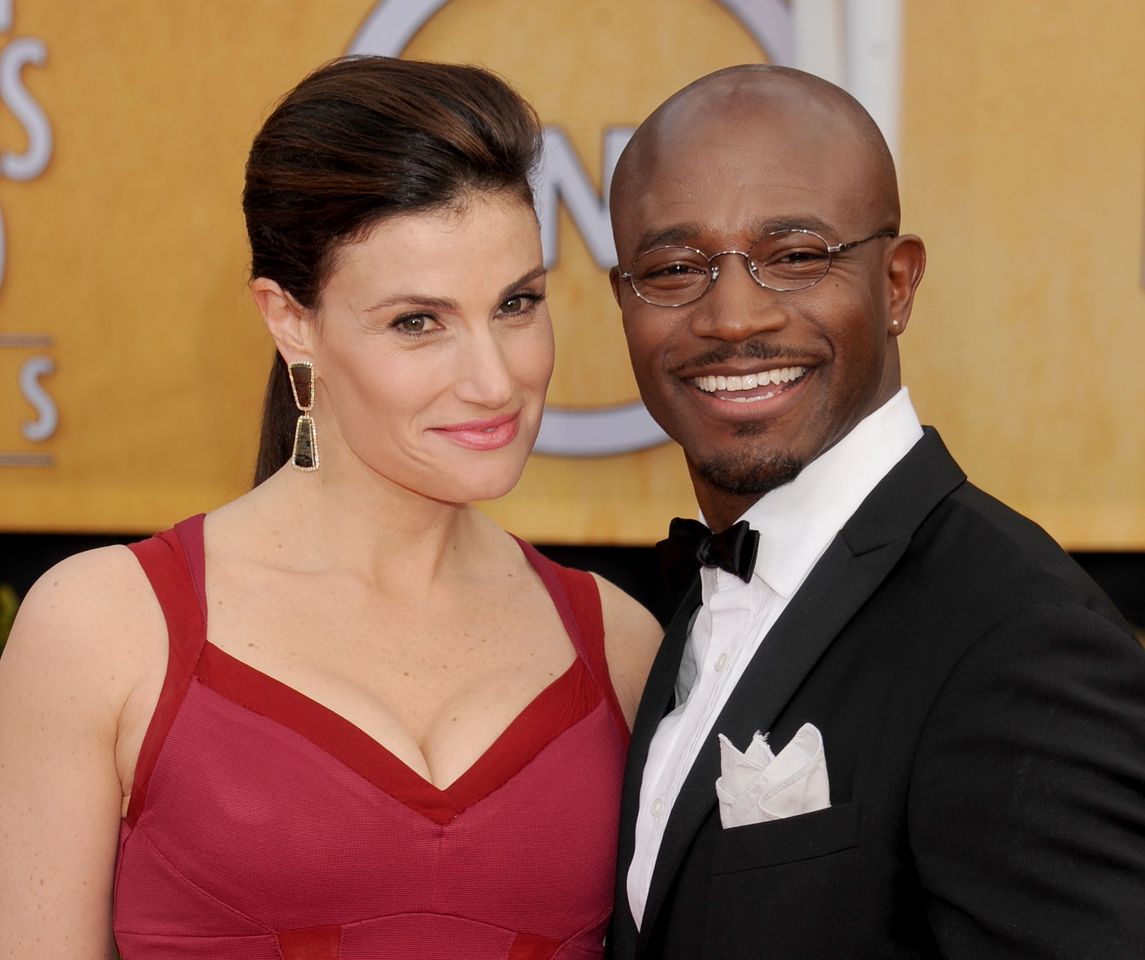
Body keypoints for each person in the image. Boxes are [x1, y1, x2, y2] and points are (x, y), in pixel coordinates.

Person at [0, 56, 661, 960]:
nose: (495, 378)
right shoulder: (105, 629)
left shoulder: (622, 644)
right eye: (416, 322)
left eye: (517, 303)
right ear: (290, 320)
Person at [605, 64, 1145, 959]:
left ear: (896, 285)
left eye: (795, 257)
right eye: (673, 268)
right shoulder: (695, 601)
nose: (732, 317)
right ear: (623, 300)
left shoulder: (1018, 638)